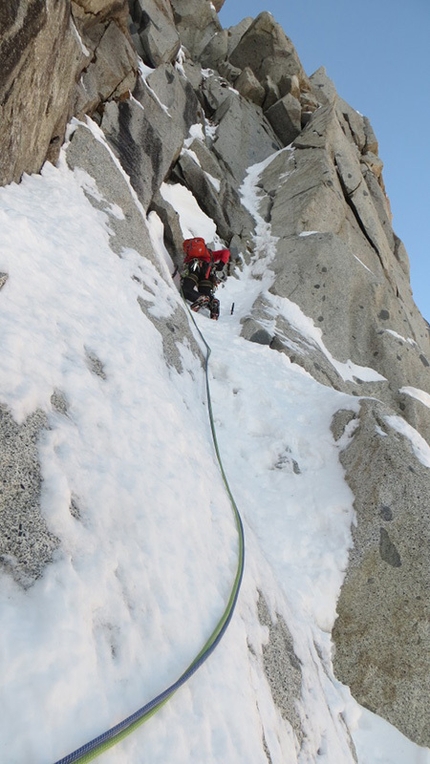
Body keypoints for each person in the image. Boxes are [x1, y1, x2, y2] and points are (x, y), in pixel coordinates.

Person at [180, 238, 230, 320]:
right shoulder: (210, 254)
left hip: (194, 269)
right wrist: (221, 264)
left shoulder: (190, 256)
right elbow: (226, 252)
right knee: (206, 292)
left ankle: (200, 298)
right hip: (208, 274)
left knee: (186, 289)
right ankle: (213, 303)